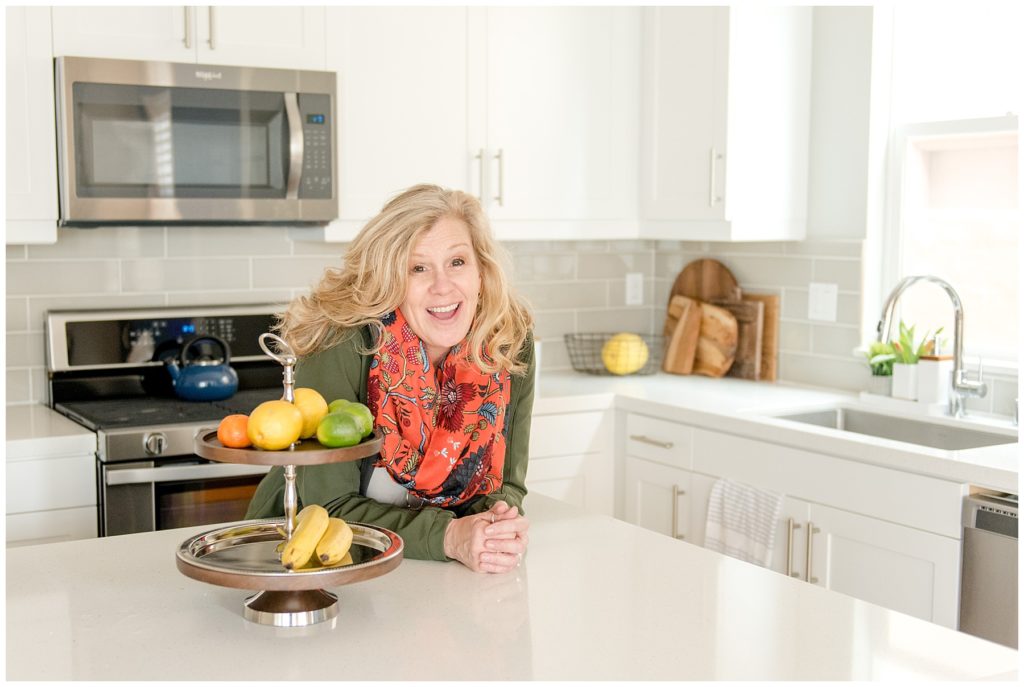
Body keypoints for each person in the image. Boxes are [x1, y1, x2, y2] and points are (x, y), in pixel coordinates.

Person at [246, 184, 535, 574]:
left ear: (481, 271)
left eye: (457, 262)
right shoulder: (342, 341)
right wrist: (449, 537)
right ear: (388, 278)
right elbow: (327, 507)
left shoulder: (506, 341)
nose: (442, 286)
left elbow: (507, 484)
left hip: (442, 575)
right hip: (313, 565)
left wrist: (495, 523)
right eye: (418, 268)